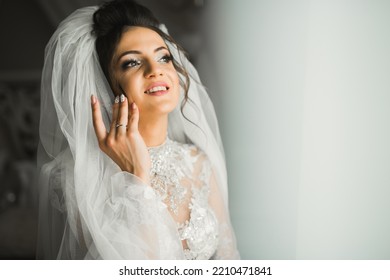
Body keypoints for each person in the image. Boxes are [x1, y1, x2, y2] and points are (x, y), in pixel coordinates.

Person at [37, 0, 239, 260]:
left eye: (164, 57)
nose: (156, 70)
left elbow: (228, 260)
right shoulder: (74, 178)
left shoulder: (198, 162)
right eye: (132, 62)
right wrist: (137, 180)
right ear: (106, 84)